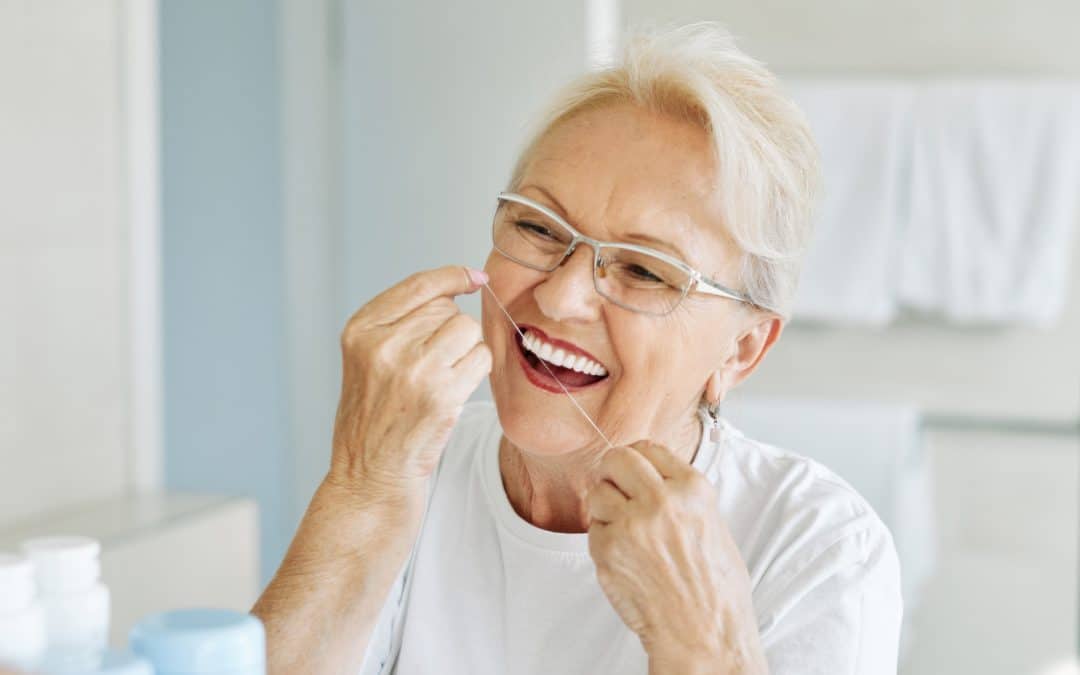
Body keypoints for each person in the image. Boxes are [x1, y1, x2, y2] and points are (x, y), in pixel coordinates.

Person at [252, 22, 902, 675]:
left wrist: (702, 644)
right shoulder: (409, 461)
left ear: (740, 351)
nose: (561, 296)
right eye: (537, 226)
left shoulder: (820, 548)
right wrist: (359, 488)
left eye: (645, 271)